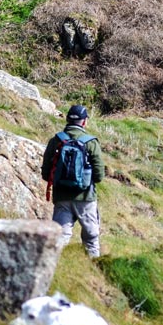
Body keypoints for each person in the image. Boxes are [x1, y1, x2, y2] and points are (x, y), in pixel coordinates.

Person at [41, 105, 104, 257]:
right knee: (91, 238)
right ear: (84, 122)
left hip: (61, 198)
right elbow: (99, 175)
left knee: (61, 238)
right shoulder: (91, 142)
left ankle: (55, 269)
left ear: (68, 119)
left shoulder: (56, 140)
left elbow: (45, 173)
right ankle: (93, 269)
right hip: (85, 198)